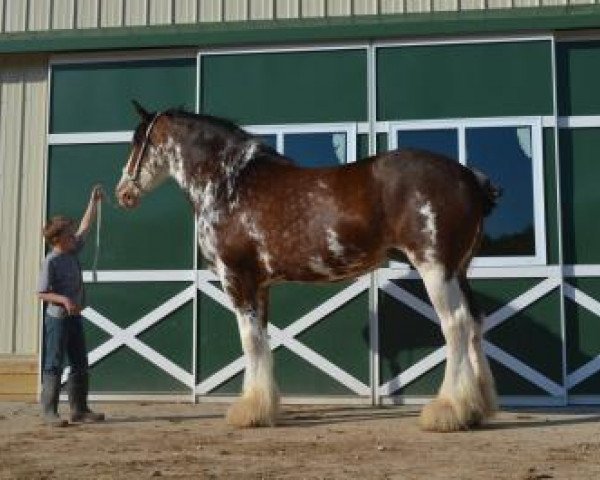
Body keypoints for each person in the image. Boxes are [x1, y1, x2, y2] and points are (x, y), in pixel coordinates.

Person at [37, 185, 105, 427]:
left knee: (79, 362)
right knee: (54, 363)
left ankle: (80, 410)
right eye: (68, 234)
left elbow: (86, 226)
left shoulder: (72, 249)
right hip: (57, 319)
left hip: (74, 318)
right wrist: (64, 299)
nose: (74, 235)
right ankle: (49, 412)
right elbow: (41, 293)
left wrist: (93, 201)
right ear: (57, 239)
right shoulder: (51, 261)